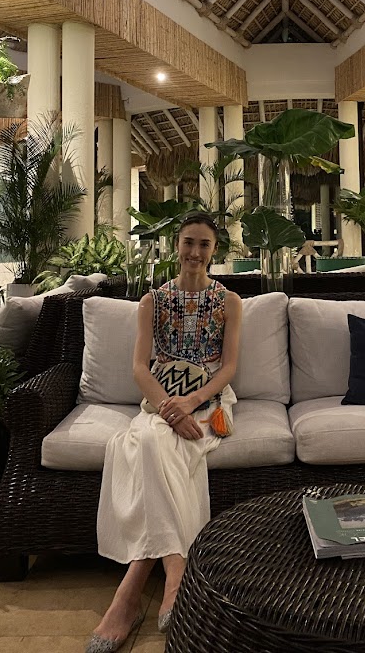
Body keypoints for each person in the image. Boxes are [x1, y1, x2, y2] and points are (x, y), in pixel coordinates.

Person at [86, 213, 242, 653]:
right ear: (176, 245)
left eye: (204, 244)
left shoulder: (229, 301)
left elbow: (229, 367)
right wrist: (169, 409)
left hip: (210, 402)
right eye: (188, 242)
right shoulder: (152, 301)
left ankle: (129, 591)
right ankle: (176, 570)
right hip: (160, 400)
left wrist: (192, 402)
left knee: (153, 445)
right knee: (155, 439)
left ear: (215, 250)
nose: (195, 252)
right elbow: (140, 367)